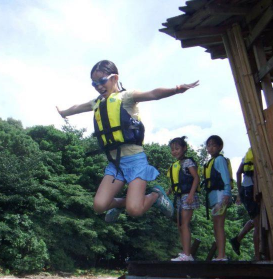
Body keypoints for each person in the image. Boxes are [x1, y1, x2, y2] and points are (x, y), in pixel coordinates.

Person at [56, 60, 199, 223]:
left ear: (114, 78)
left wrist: (177, 89)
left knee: (134, 210)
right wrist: (64, 112)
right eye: (94, 83)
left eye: (102, 81)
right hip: (115, 163)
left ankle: (155, 195)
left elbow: (153, 94)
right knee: (99, 206)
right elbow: (77, 108)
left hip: (135, 161)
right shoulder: (97, 103)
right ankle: (120, 204)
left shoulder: (127, 97)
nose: (98, 86)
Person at [166, 136, 200, 261]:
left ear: (184, 148)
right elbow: (177, 182)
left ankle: (187, 255)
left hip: (188, 195)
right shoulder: (175, 164)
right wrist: (169, 191)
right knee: (180, 225)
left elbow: (196, 178)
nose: (174, 151)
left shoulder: (188, 162)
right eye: (172, 149)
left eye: (177, 148)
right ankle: (185, 253)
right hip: (179, 196)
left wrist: (191, 195)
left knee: (184, 224)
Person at [202, 135, 232, 261]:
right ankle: (220, 254)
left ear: (220, 147)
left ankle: (221, 255)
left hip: (220, 194)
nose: (211, 148)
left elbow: (225, 177)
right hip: (214, 196)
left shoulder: (219, 160)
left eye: (214, 145)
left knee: (219, 225)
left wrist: (227, 194)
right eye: (208, 145)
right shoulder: (211, 161)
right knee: (216, 225)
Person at [230, 148, 260, 260]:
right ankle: (257, 256)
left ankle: (237, 240)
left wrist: (239, 191)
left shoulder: (248, 154)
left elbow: (238, 173)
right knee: (257, 223)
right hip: (252, 191)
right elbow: (256, 175)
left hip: (246, 190)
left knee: (256, 220)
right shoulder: (257, 154)